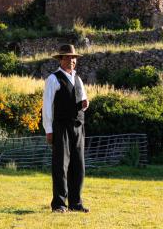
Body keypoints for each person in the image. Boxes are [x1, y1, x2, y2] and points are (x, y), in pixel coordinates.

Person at [42, 44, 90, 213]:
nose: (72, 60)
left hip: (78, 126)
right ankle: (59, 204)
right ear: (61, 59)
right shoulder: (53, 79)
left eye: (73, 58)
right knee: (61, 165)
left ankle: (76, 203)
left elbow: (83, 101)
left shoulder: (78, 78)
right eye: (68, 57)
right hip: (60, 126)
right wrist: (49, 130)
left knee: (78, 165)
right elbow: (47, 107)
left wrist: (85, 104)